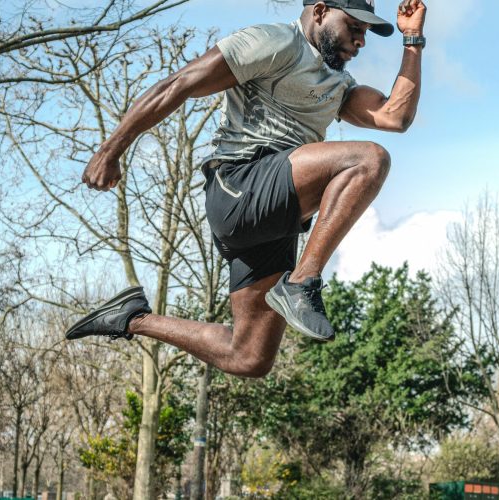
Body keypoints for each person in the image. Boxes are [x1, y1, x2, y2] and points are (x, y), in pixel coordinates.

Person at [63, 0, 428, 378]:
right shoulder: (275, 42)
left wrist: (413, 39)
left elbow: (394, 116)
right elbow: (180, 84)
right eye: (353, 27)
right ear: (320, 12)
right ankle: (303, 281)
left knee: (250, 356)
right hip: (240, 187)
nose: (360, 41)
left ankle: (131, 318)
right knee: (368, 160)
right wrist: (110, 151)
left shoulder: (339, 86)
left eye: (365, 33)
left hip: (275, 217)